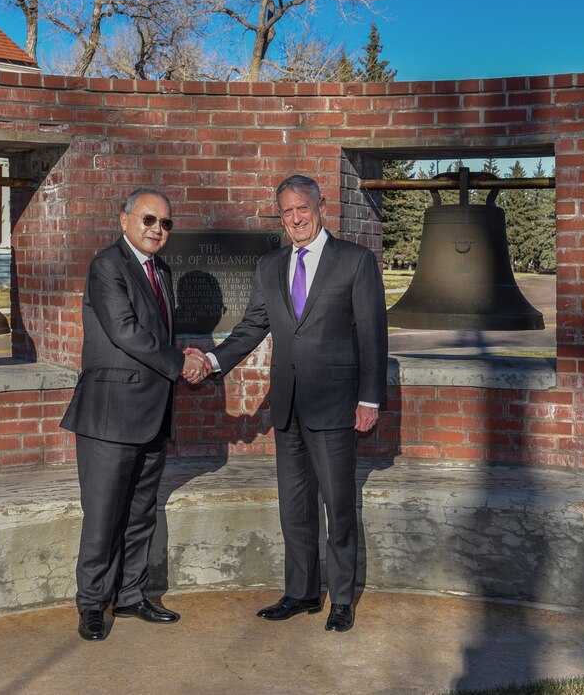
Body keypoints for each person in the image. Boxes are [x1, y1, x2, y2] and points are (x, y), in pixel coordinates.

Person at [201, 174, 387, 632]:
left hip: (336, 405)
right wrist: (212, 361)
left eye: (303, 207)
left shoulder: (355, 261)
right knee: (295, 507)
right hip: (287, 406)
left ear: (321, 207)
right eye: (287, 211)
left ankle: (341, 599)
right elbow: (251, 327)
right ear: (280, 216)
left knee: (339, 507)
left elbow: (372, 335)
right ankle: (301, 593)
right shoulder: (271, 265)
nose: (296, 218)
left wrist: (369, 399)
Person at [60, 188, 209, 641]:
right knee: (103, 516)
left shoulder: (161, 270)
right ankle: (92, 604)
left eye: (165, 223)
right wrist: (180, 363)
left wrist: (184, 357)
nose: (157, 230)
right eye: (148, 219)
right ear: (124, 220)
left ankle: (130, 595)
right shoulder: (107, 266)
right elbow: (125, 331)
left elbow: (157, 336)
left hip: (152, 413)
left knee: (141, 512)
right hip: (110, 417)